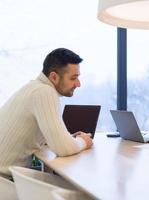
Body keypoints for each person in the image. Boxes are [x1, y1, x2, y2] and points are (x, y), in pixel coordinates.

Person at [0, 48, 93, 179]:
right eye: (73, 78)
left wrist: (67, 139)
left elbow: (55, 142)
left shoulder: (33, 88)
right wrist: (83, 141)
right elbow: (63, 149)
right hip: (5, 183)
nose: (78, 84)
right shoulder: (44, 92)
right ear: (54, 77)